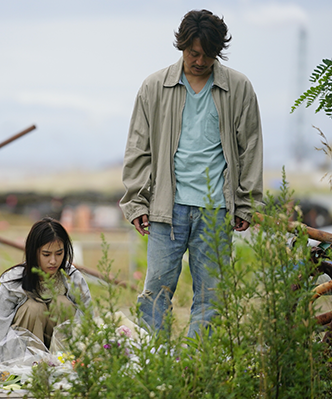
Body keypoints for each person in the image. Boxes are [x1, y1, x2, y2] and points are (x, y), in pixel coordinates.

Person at [119, 10, 263, 338]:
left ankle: (200, 368)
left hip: (216, 210)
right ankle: (153, 365)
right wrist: (136, 202)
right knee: (155, 292)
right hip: (165, 209)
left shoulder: (238, 87)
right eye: (193, 53)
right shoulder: (154, 87)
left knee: (211, 297)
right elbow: (138, 148)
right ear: (181, 46)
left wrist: (246, 202)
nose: (199, 61)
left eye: (208, 55)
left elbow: (251, 149)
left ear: (218, 53)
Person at [0, 217, 92, 364]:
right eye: (46, 254)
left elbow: (87, 318)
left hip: (63, 350)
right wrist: (6, 362)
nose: (53, 261)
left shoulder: (72, 278)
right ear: (34, 252)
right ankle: (34, 364)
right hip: (22, 354)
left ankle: (62, 362)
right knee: (33, 307)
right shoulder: (12, 282)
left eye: (59, 254)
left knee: (62, 303)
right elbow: (1, 329)